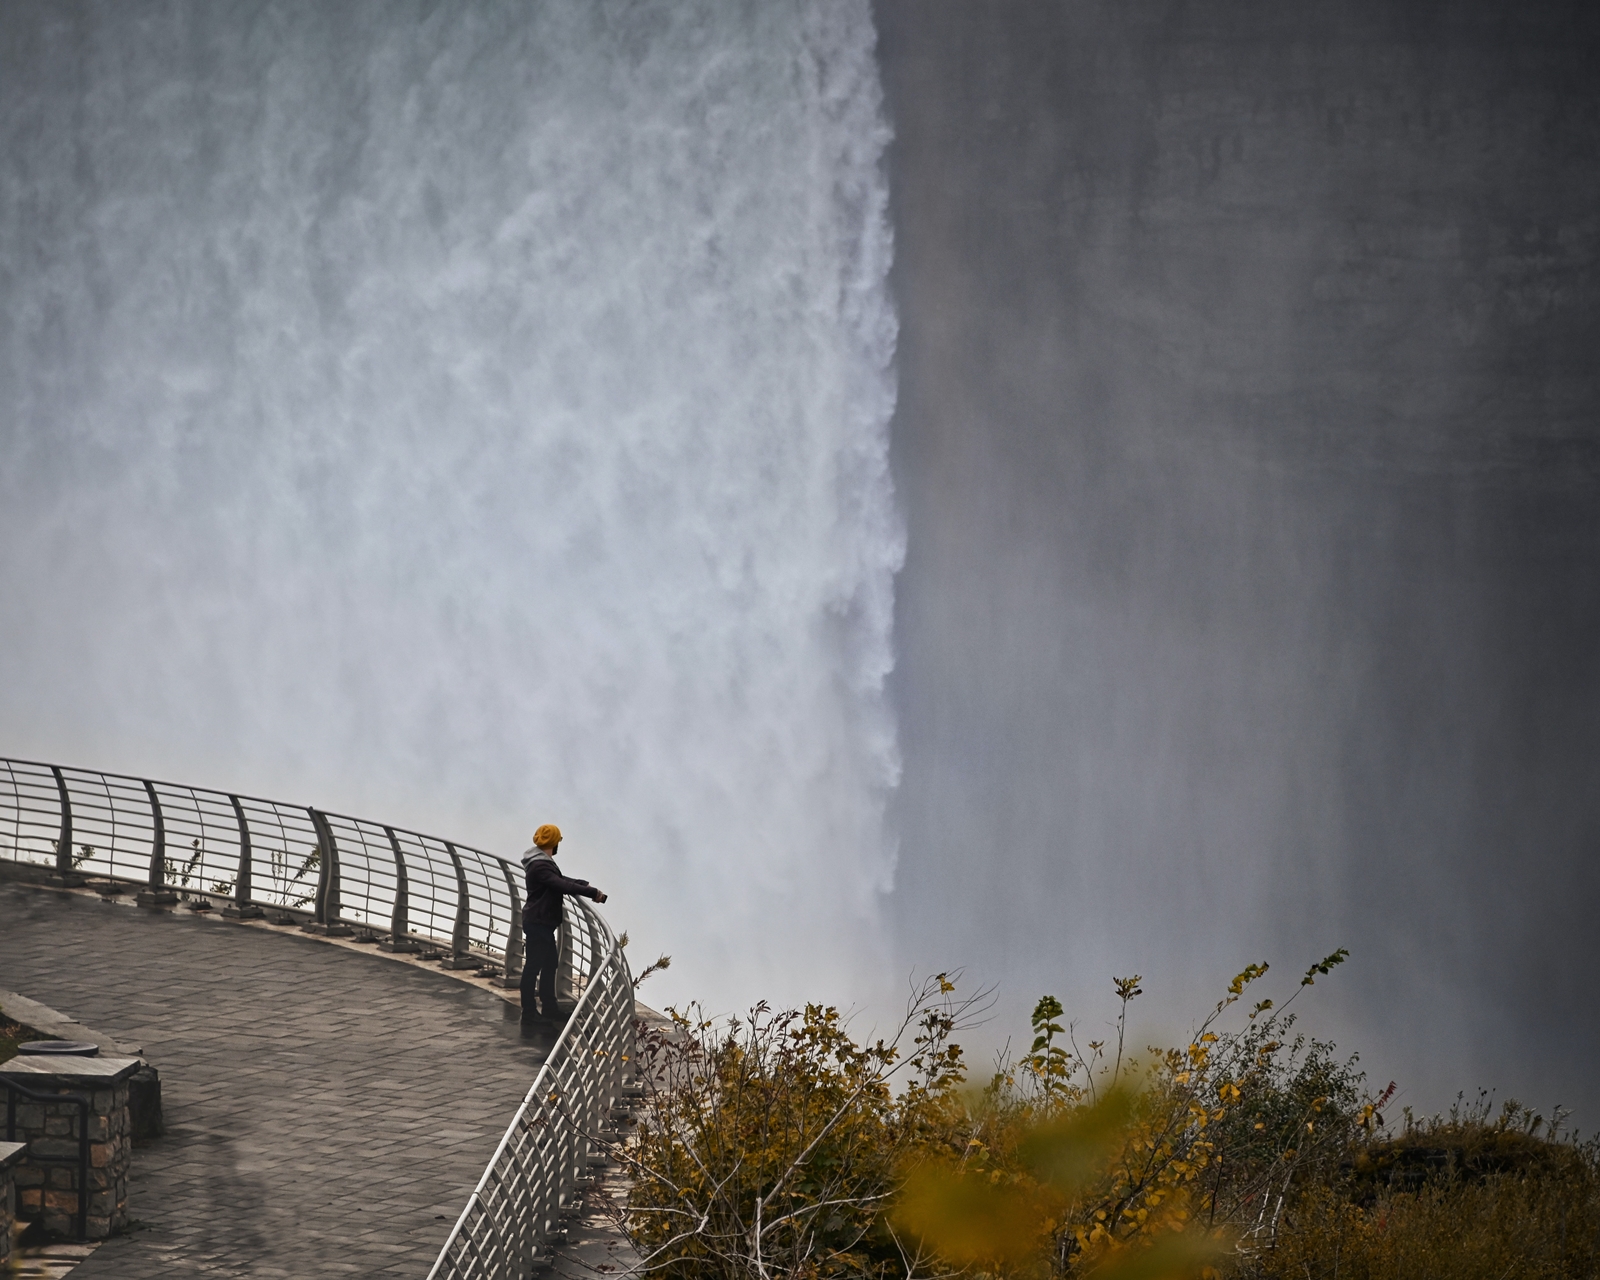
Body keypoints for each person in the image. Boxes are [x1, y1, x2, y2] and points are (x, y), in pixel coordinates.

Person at [519, 823, 607, 1026]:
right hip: (538, 922)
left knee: (549, 964)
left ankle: (549, 1007)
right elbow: (560, 884)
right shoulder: (540, 865)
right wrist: (592, 893)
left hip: (541, 922)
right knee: (533, 967)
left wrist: (582, 884)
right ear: (553, 842)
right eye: (558, 841)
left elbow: (560, 879)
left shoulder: (541, 861)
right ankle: (530, 1013)